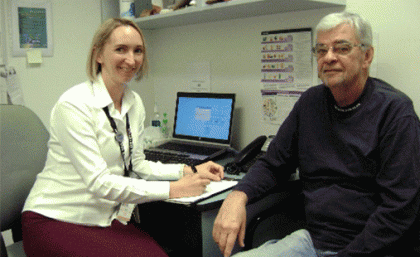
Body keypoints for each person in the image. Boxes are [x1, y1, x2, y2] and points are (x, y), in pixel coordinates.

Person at [213, 11, 420, 257]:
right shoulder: (310, 102)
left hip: (371, 247)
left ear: (367, 56)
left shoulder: (395, 112)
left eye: (341, 48)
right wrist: (237, 196)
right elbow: (273, 163)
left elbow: (399, 208)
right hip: (312, 241)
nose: (329, 57)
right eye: (321, 50)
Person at [21, 18, 224, 257]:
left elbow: (136, 165)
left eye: (138, 51)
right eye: (121, 49)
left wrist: (188, 171)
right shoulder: (74, 105)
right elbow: (99, 182)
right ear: (98, 55)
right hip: (54, 219)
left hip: (105, 218)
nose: (131, 59)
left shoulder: (133, 103)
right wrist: (173, 189)